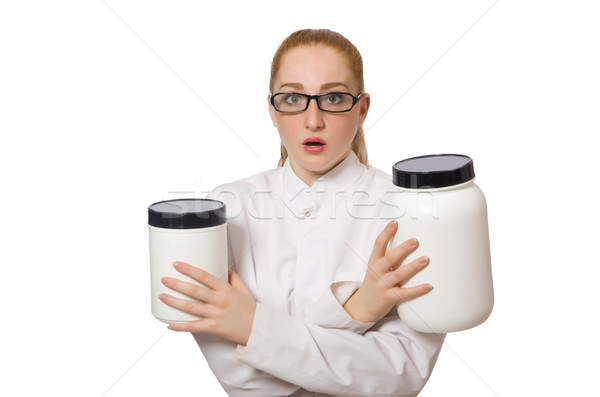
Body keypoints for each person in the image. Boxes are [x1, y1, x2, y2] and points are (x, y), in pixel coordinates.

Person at [158, 28, 445, 396]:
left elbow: (399, 375)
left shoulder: (412, 211)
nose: (313, 120)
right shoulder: (225, 209)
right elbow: (247, 384)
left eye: (334, 97)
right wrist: (357, 310)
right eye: (293, 97)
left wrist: (251, 328)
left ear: (362, 108)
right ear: (271, 109)